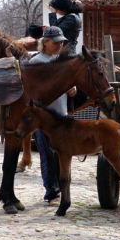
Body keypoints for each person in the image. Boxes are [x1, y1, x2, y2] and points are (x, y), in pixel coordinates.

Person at [29, 26, 77, 202]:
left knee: (61, 153)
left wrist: (72, 89)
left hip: (61, 114)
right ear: (45, 42)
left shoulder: (61, 61)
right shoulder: (36, 62)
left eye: (61, 42)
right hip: (44, 119)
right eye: (56, 42)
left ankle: (61, 188)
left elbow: (68, 84)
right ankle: (51, 191)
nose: (59, 45)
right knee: (48, 154)